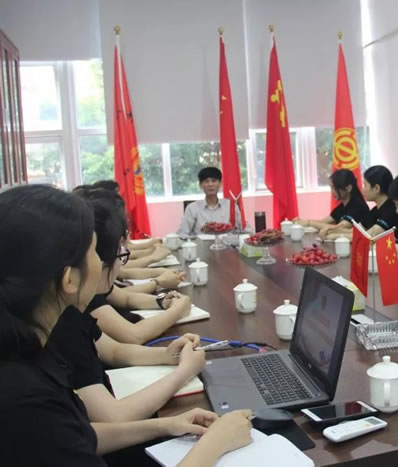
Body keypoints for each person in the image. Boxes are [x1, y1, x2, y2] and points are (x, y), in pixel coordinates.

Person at [0, 184, 252, 466]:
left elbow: (76, 434)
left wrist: (165, 425)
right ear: (69, 279)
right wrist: (217, 441)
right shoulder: (23, 398)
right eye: (94, 252)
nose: (105, 261)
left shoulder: (29, 347)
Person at [75, 188, 193, 344]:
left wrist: (161, 301)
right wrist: (177, 309)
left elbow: (125, 297)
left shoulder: (95, 283)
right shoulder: (84, 294)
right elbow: (134, 335)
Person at [319, 165, 398, 239]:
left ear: (376, 188)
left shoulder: (391, 209)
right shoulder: (375, 210)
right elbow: (356, 231)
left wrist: (334, 235)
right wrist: (332, 230)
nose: (363, 189)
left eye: (365, 185)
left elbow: (368, 236)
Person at [295, 168, 370, 232]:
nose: (332, 191)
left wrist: (309, 223)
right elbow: (323, 222)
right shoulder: (343, 206)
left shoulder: (358, 205)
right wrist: (302, 222)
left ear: (348, 188)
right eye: (331, 187)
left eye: (335, 187)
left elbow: (339, 228)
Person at [178, 167, 233, 237]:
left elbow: (243, 231)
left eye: (214, 181)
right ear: (200, 185)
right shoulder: (192, 208)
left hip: (227, 243)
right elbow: (183, 234)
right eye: (206, 181)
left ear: (220, 183)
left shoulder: (231, 206)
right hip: (200, 243)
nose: (210, 184)